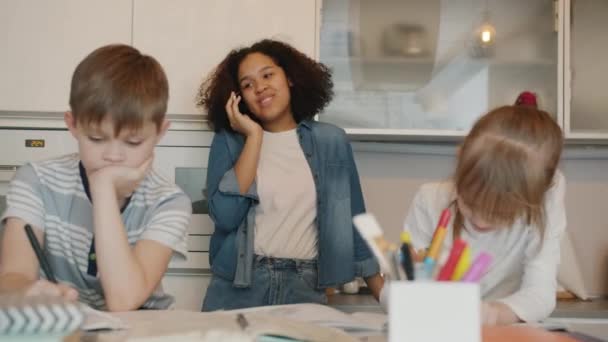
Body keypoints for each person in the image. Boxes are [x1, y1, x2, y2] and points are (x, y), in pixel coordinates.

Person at [0, 44, 191, 311]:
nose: (113, 156)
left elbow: (123, 300)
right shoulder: (35, 181)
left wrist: (102, 189)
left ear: (160, 132)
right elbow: (12, 277)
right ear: (73, 124)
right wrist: (27, 292)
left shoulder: (169, 202)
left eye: (133, 142)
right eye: (97, 139)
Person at [197, 39, 383, 311]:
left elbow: (355, 220)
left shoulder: (331, 142)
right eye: (247, 85)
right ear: (239, 98)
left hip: (304, 287)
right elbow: (225, 217)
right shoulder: (230, 142)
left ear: (291, 78)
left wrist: (387, 297)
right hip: (239, 288)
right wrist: (254, 137)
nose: (260, 87)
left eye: (268, 75)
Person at [399, 104, 565, 324]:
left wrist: (493, 313)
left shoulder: (543, 203)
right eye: (470, 202)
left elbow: (540, 293)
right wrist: (406, 295)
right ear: (461, 167)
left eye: (500, 213)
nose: (480, 220)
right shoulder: (430, 200)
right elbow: (399, 282)